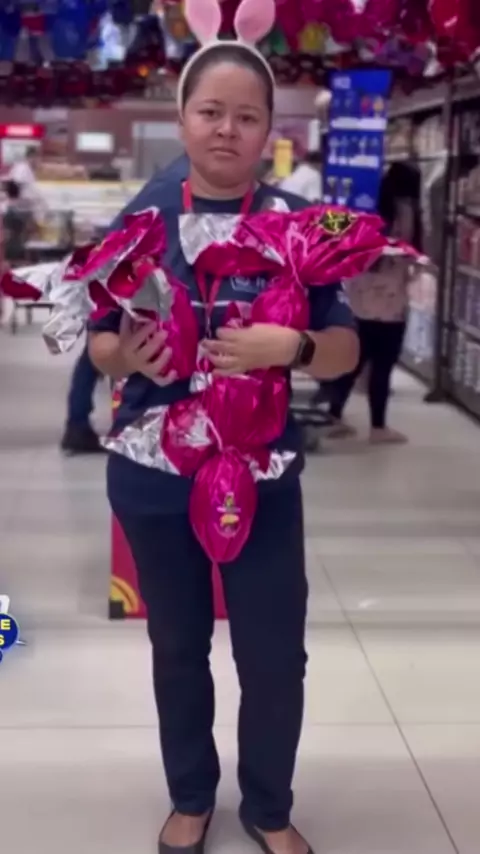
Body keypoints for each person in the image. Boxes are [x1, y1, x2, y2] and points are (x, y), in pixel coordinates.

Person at [88, 6, 358, 854]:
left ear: (269, 130)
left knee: (274, 653)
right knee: (177, 645)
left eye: (246, 116)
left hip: (261, 476)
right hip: (153, 474)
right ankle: (191, 795)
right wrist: (126, 355)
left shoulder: (297, 228)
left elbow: (344, 349)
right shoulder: (139, 220)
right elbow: (97, 345)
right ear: (182, 119)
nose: (227, 130)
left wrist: (295, 346)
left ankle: (268, 806)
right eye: (211, 112)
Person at [60, 153, 191, 455]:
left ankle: (77, 422)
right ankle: (77, 424)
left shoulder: (171, 177)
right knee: (98, 349)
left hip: (117, 273)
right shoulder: (177, 184)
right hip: (126, 279)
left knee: (93, 353)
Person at [325, 161, 422, 443]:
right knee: (383, 365)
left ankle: (333, 415)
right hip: (389, 301)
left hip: (359, 295)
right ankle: (378, 427)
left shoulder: (366, 207)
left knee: (353, 361)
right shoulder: (406, 212)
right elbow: (409, 251)